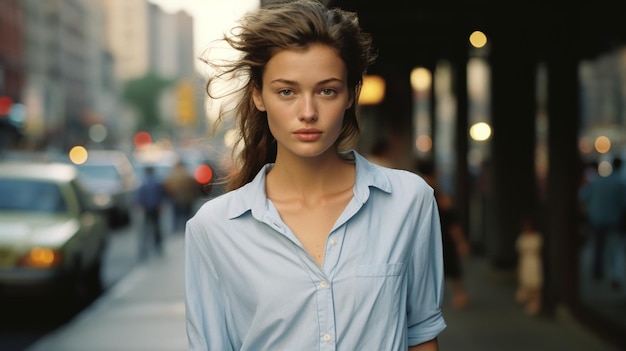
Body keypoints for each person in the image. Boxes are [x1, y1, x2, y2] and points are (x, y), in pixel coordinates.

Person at [185, 1, 447, 350]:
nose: (307, 113)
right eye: (287, 91)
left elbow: (422, 337)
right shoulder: (214, 229)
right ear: (258, 96)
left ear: (351, 95)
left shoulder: (408, 201)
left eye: (327, 91)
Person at [417, 159, 470, 310]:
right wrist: (461, 242)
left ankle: (430, 300)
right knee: (451, 268)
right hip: (441, 237)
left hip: (429, 237)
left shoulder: (418, 191)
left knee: (431, 269)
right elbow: (453, 223)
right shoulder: (440, 196)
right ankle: (459, 294)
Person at [578, 156, 626, 289]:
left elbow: (582, 196)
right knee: (613, 250)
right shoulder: (619, 183)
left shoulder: (596, 182)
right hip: (613, 220)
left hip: (597, 219)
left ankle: (597, 273)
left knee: (597, 248)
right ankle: (614, 276)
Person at [515, 217, 543, 316]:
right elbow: (520, 253)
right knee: (526, 283)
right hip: (525, 262)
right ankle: (530, 302)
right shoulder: (522, 237)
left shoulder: (537, 237)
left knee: (534, 283)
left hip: (534, 262)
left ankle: (535, 304)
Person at [136, 166, 166, 259]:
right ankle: (158, 246)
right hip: (155, 208)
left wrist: (139, 206)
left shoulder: (143, 183)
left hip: (147, 208)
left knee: (145, 229)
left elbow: (139, 197)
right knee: (157, 228)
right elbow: (161, 195)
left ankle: (144, 249)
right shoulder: (156, 182)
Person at [164, 160, 199, 233]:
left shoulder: (172, 177)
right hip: (187, 199)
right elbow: (194, 187)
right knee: (187, 216)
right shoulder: (187, 176)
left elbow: (168, 188)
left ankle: (176, 230)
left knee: (176, 216)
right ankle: (187, 230)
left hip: (176, 199)